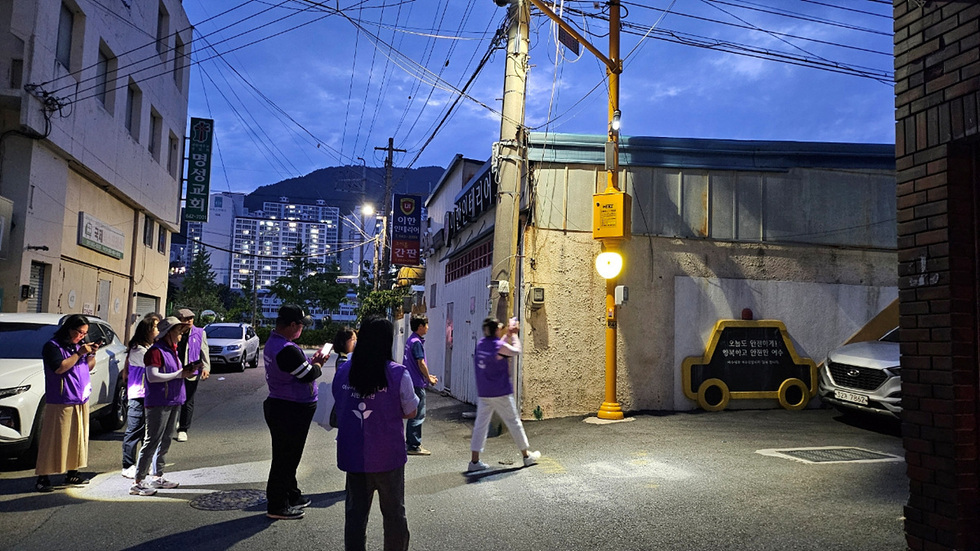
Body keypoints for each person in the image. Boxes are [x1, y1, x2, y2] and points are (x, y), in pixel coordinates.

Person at [333, 317, 419, 551]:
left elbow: (339, 403)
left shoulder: (344, 371)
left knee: (355, 515)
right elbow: (411, 412)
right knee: (393, 515)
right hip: (387, 456)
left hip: (353, 454)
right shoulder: (398, 373)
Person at [263, 304, 328, 520]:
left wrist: (312, 363)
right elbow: (308, 375)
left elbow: (300, 369)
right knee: (286, 458)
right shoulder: (286, 349)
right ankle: (277, 505)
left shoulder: (277, 343)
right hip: (289, 408)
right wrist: (318, 364)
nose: (302, 329)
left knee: (289, 455)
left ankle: (291, 494)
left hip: (284, 406)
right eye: (301, 325)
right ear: (292, 325)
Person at [130, 316, 196, 496]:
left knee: (165, 440)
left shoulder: (171, 350)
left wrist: (182, 373)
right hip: (159, 401)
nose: (181, 335)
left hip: (172, 399)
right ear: (169, 333)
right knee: (152, 440)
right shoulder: (155, 351)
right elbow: (152, 376)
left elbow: (172, 374)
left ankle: (157, 475)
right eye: (178, 331)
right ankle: (138, 482)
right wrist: (179, 374)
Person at [34, 314, 101, 492]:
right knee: (54, 439)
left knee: (77, 439)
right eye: (80, 332)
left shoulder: (78, 346)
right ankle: (43, 477)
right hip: (61, 400)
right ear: (69, 329)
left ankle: (73, 472)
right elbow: (60, 367)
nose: (82, 336)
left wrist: (91, 353)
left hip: (80, 398)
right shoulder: (52, 346)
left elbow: (88, 366)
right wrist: (79, 353)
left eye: (85, 333)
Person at [467, 317, 540, 473]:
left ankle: (474, 461)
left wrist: (507, 335)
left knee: (480, 426)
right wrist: (514, 335)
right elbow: (516, 350)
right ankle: (527, 456)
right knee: (514, 422)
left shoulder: (481, 344)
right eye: (500, 328)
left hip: (484, 392)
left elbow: (499, 349)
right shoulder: (498, 346)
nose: (502, 329)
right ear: (495, 330)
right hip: (499, 392)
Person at [120, 314, 160, 479]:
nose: (158, 330)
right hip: (138, 395)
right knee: (134, 431)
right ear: (148, 330)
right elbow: (151, 366)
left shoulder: (150, 347)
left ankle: (145, 463)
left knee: (147, 432)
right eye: (156, 327)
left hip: (149, 395)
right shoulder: (138, 349)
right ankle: (128, 465)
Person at [174, 308, 210, 442]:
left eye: (191, 318)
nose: (189, 321)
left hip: (191, 371)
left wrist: (206, 367)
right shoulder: (173, 332)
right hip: (175, 371)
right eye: (186, 319)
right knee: (174, 398)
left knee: (188, 400)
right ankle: (175, 421)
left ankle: (183, 428)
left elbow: (204, 350)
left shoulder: (199, 333)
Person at [403, 315, 437, 456]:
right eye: (426, 325)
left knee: (413, 413)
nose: (428, 327)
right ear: (420, 326)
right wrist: (428, 378)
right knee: (417, 414)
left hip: (411, 381)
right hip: (416, 383)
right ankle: (414, 445)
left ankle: (410, 442)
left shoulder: (411, 340)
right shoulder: (416, 342)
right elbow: (420, 363)